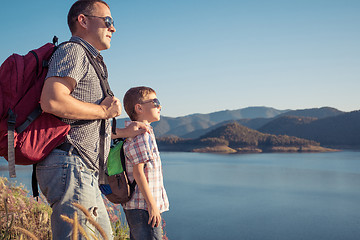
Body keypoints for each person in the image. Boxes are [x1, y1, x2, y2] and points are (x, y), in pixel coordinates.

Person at [38, 1, 147, 239]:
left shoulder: (89, 57)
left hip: (82, 168)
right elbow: (52, 100)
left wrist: (121, 132)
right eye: (108, 21)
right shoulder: (74, 50)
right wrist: (104, 112)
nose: (113, 28)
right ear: (83, 21)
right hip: (71, 164)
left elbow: (83, 121)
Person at [122, 86, 170, 240]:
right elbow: (138, 173)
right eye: (155, 102)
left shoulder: (143, 132)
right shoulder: (140, 134)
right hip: (143, 207)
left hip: (140, 207)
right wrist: (152, 205)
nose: (159, 106)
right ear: (139, 108)